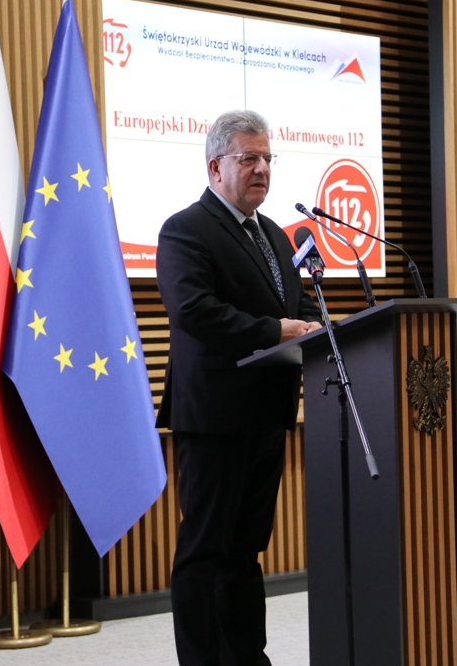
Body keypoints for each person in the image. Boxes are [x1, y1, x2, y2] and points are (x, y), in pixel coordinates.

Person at [155, 109, 323, 665]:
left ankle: (248, 657)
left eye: (268, 158)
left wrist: (317, 327)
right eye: (249, 158)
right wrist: (278, 330)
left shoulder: (273, 234)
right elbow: (194, 311)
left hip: (266, 414)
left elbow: (296, 306)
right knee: (206, 550)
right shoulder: (185, 229)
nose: (262, 169)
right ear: (215, 167)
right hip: (214, 417)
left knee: (246, 550)